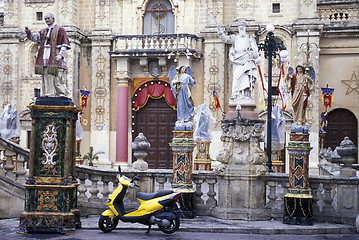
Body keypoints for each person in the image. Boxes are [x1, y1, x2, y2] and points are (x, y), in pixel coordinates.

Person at [25, 13, 71, 97]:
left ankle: (62, 93)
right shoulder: (43, 31)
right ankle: (49, 92)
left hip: (56, 54)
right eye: (45, 19)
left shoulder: (60, 29)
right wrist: (29, 33)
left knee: (58, 76)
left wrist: (61, 54)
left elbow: (64, 44)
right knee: (46, 74)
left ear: (53, 19)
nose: (47, 20)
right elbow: (35, 38)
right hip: (45, 54)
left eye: (48, 18)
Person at [217, 19, 260, 103]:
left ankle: (246, 95)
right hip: (238, 60)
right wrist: (220, 32)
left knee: (246, 79)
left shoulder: (250, 38)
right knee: (237, 78)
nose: (241, 27)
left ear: (245, 27)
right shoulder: (235, 37)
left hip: (247, 60)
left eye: (243, 26)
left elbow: (255, 51)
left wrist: (251, 54)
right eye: (240, 26)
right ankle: (236, 94)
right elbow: (225, 39)